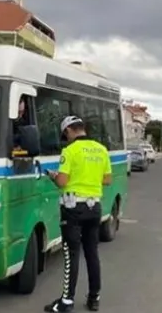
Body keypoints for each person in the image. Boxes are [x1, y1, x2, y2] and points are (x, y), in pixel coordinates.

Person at [44, 115, 111, 312]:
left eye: (65, 135)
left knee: (70, 254)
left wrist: (53, 176)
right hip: (94, 208)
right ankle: (94, 298)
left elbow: (63, 182)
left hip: (73, 209)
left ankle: (66, 302)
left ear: (68, 131)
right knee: (92, 253)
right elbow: (106, 180)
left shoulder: (70, 151)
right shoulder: (101, 150)